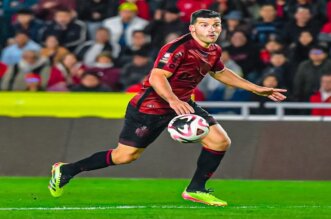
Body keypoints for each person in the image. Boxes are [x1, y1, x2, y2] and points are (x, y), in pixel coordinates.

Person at [48, 9, 286, 206]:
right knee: (125, 156)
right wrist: (173, 100)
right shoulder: (177, 48)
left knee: (220, 141)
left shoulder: (213, 50)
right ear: (193, 28)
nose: (212, 29)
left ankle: (196, 189)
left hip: (182, 103)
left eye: (216, 25)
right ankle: (67, 170)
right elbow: (157, 77)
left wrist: (255, 88)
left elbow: (220, 72)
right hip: (151, 107)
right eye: (205, 25)